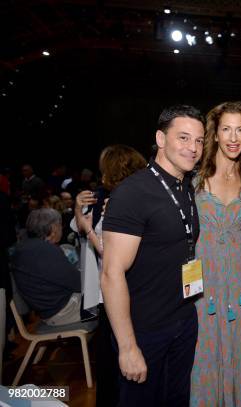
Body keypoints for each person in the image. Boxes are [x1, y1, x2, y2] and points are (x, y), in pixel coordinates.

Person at [102, 105, 204, 406]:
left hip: (183, 321)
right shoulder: (133, 192)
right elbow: (111, 274)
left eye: (199, 140)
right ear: (161, 139)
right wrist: (127, 346)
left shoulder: (185, 187)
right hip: (145, 331)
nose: (193, 148)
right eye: (184, 138)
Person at [191, 101, 241, 406]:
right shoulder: (192, 179)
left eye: (240, 130)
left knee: (237, 351)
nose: (233, 137)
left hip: (236, 287)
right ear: (215, 134)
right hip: (199, 285)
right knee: (201, 355)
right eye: (226, 129)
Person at [73, 144, 146, 407]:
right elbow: (82, 226)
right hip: (117, 295)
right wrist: (78, 211)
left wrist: (88, 230)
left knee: (117, 365)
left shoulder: (122, 202)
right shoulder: (112, 198)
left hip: (121, 295)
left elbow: (109, 252)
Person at [11, 208, 83, 326]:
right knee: (109, 298)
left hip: (47, 310)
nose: (62, 229)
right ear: (54, 228)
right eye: (61, 225)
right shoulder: (45, 251)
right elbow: (79, 284)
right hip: (61, 312)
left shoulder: (24, 247)